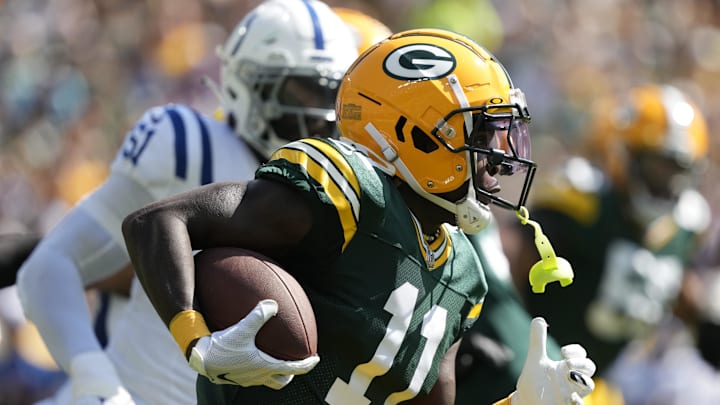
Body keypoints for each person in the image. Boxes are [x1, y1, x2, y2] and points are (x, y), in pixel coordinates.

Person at [122, 27, 596, 404]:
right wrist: (197, 341)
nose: (498, 159)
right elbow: (158, 222)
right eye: (483, 136)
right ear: (418, 135)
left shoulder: (463, 274)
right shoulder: (347, 193)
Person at [15, 0, 358, 403]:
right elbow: (48, 268)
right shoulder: (188, 146)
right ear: (241, 85)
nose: (317, 115)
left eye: (330, 94)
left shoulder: (346, 190)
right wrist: (95, 377)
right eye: (299, 91)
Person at [507, 83, 711, 374]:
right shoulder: (583, 204)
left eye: (679, 170)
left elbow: (681, 291)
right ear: (624, 156)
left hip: (602, 381)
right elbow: (507, 260)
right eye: (659, 166)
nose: (669, 183)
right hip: (535, 370)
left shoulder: (685, 227)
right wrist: (507, 335)